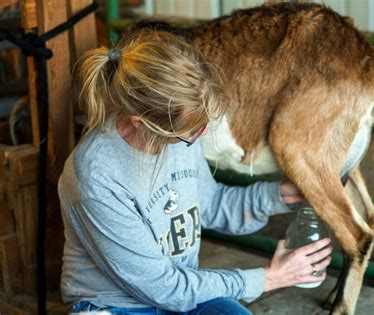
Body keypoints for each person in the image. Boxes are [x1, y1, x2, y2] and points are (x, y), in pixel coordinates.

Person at [58, 29, 333, 315]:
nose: (199, 136)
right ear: (143, 124)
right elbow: (164, 287)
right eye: (191, 132)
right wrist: (270, 277)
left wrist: (280, 195)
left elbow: (211, 205)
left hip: (186, 293)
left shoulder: (178, 134)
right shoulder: (96, 174)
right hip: (116, 304)